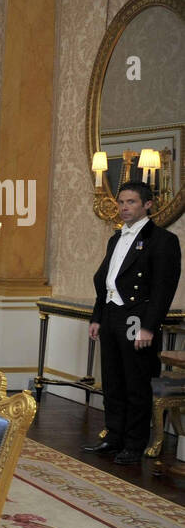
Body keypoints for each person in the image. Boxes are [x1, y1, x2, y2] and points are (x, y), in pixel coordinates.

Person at [82, 180, 182, 465]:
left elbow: (163, 289)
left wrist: (148, 327)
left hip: (138, 317)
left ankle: (134, 443)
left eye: (131, 202)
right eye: (122, 202)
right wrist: (98, 317)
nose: (124, 208)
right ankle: (113, 436)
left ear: (148, 204)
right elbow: (106, 283)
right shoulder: (116, 238)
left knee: (136, 382)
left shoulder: (162, 240)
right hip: (113, 315)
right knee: (113, 380)